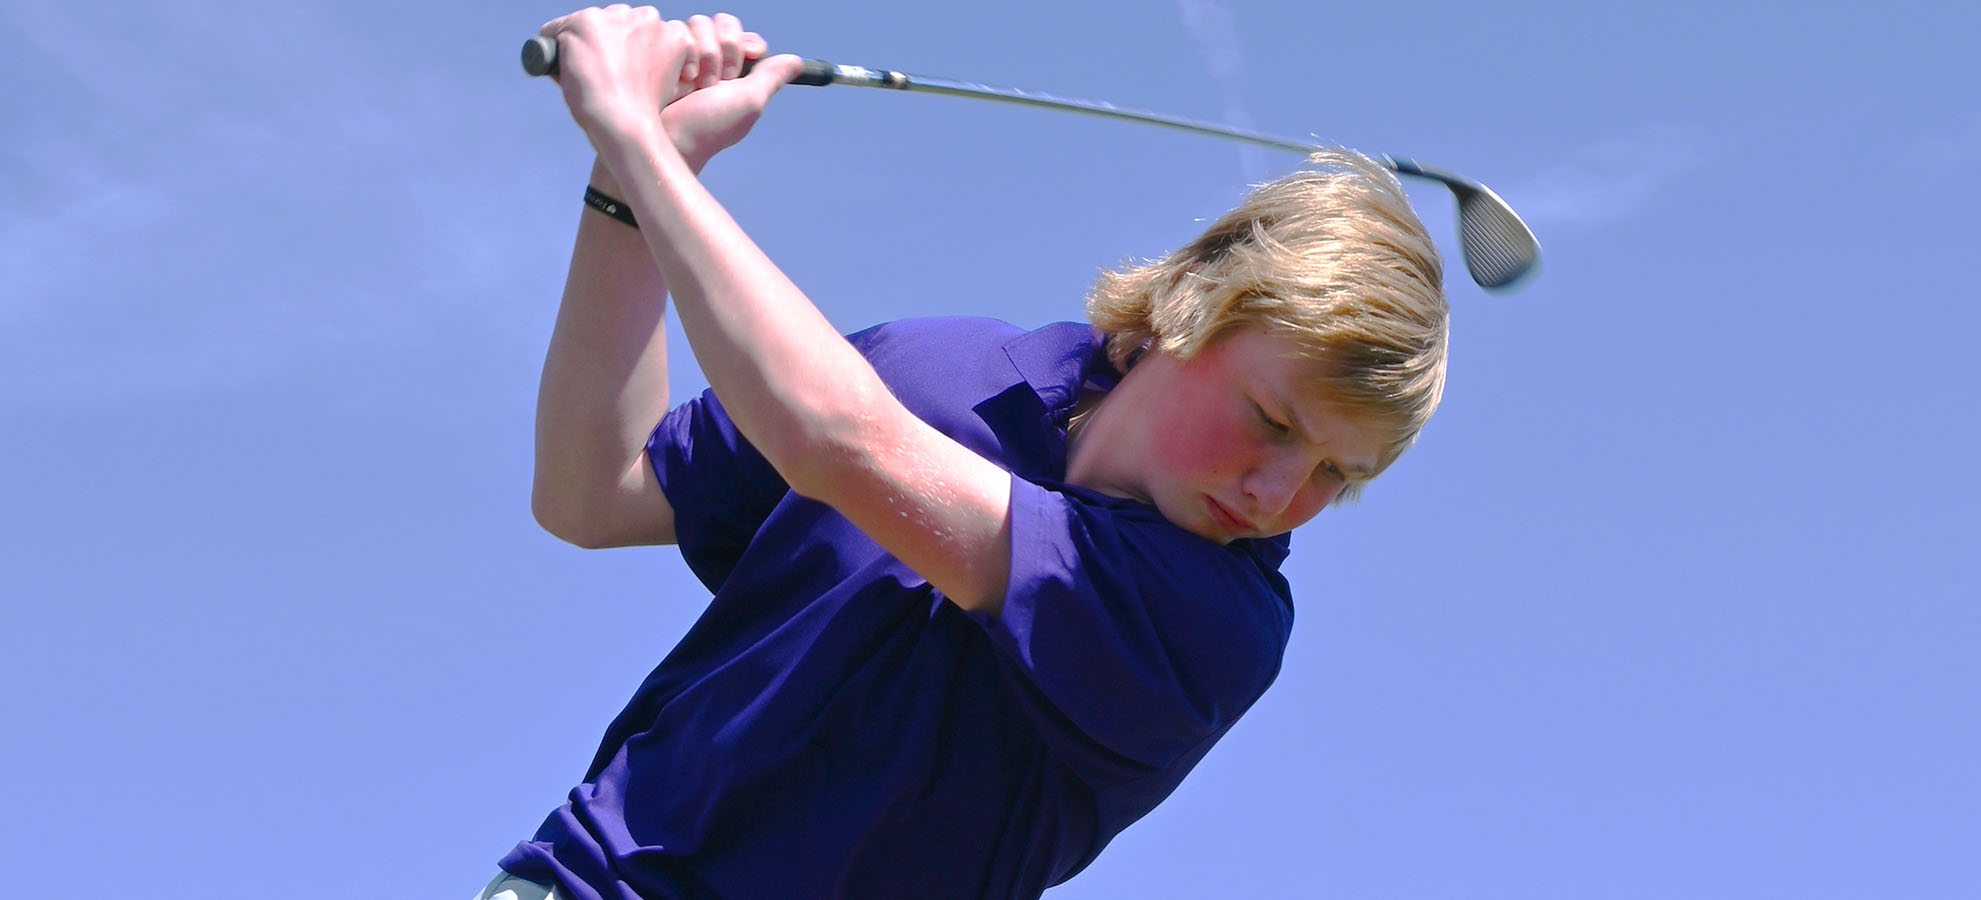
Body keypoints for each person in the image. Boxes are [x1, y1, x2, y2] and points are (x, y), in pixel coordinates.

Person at [488, 6, 1448, 899]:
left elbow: (839, 442)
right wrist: (630, 184)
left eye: (1338, 474)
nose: (1281, 493)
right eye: (1275, 423)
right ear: (1184, 311)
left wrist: (636, 137)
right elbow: (592, 494)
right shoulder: (934, 366)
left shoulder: (1217, 621)